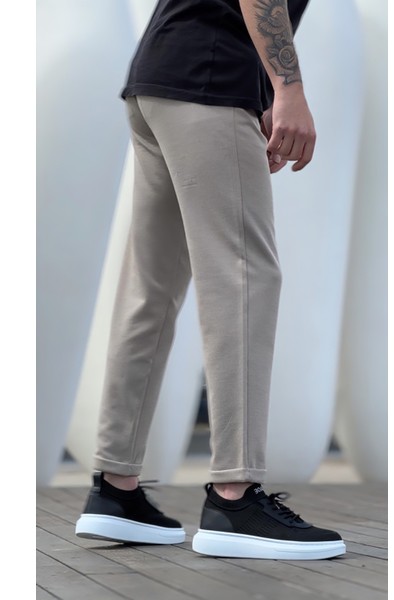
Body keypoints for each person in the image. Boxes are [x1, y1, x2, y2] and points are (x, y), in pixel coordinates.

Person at [75, 0, 346, 560]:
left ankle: (115, 489)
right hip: (210, 82)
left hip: (160, 80)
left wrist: (263, 96)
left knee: (150, 292)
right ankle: (235, 498)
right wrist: (289, 91)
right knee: (244, 279)